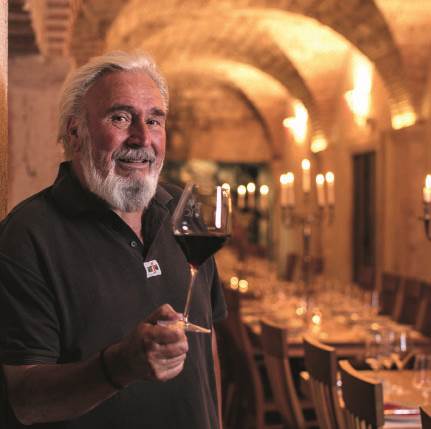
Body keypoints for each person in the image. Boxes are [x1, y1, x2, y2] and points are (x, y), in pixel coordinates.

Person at [0, 51, 226, 429]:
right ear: (75, 132)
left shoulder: (185, 215)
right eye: (120, 118)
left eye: (154, 120)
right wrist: (120, 365)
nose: (142, 137)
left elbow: (208, 347)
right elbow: (24, 401)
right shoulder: (27, 236)